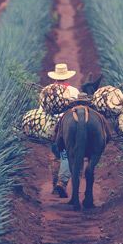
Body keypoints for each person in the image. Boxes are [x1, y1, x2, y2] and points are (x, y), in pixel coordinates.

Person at [46, 63, 80, 194]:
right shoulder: (74, 91)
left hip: (53, 126)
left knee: (55, 155)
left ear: (55, 79)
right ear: (67, 79)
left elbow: (42, 110)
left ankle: (56, 184)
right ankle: (62, 182)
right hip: (69, 126)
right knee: (66, 155)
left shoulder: (48, 91)